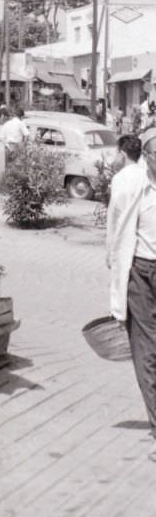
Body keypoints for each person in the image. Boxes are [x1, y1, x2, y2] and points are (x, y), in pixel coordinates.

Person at [107, 128, 156, 459]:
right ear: (147, 158)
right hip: (141, 271)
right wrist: (114, 260)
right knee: (148, 349)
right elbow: (116, 226)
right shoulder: (129, 183)